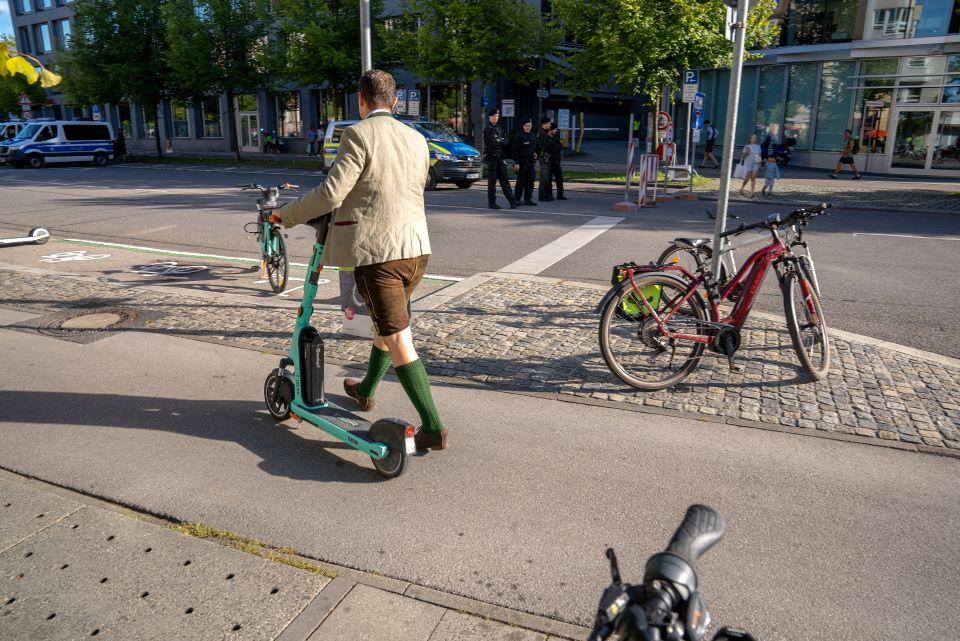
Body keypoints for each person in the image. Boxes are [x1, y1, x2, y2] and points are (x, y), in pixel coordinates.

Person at [271, 69, 449, 452]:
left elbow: (331, 194)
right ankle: (366, 389)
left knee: (399, 337)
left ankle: (433, 427)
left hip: (377, 253)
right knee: (386, 325)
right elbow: (409, 186)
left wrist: (284, 215)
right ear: (395, 101)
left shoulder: (357, 134)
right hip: (416, 249)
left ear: (361, 100)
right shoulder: (417, 139)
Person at [482, 107, 518, 210]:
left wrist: (500, 141)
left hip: (500, 159)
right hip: (492, 159)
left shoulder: (499, 128)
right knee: (492, 183)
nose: (496, 117)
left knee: (505, 181)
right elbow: (493, 143)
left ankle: (512, 202)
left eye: (497, 116)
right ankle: (492, 203)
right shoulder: (488, 129)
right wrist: (500, 141)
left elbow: (506, 142)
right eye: (494, 116)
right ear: (490, 117)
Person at [511, 118, 538, 206]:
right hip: (522, 163)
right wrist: (516, 163)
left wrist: (535, 153)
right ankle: (517, 199)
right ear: (523, 126)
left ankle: (528, 199)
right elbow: (515, 150)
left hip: (530, 162)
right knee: (521, 182)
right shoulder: (519, 136)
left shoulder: (532, 135)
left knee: (530, 181)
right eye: (526, 126)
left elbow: (533, 147)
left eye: (529, 126)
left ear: (531, 126)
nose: (528, 128)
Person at [537, 117, 554, 202]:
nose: (550, 125)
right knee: (544, 177)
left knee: (547, 177)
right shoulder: (542, 133)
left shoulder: (545, 133)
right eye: (549, 123)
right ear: (544, 124)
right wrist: (550, 137)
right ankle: (542, 195)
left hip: (547, 157)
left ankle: (546, 194)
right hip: (544, 157)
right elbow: (549, 144)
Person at [548, 125, 566, 200]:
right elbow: (553, 148)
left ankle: (560, 194)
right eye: (554, 129)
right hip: (550, 160)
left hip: (556, 160)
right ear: (550, 130)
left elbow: (559, 147)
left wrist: (556, 147)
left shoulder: (556, 137)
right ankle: (549, 194)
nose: (556, 130)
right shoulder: (547, 138)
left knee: (559, 178)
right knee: (548, 179)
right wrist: (556, 147)